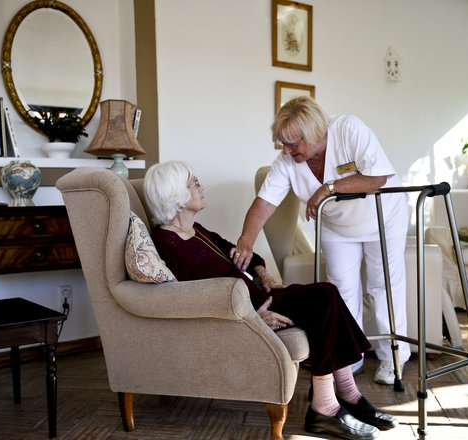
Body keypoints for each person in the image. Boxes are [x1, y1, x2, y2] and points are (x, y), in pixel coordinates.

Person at [143, 161, 397, 440]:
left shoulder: (197, 230)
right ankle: (330, 405)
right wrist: (250, 315)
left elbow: (239, 255)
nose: (200, 186)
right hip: (251, 308)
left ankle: (344, 397)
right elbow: (194, 294)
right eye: (193, 183)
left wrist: (262, 271)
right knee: (324, 297)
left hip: (261, 296)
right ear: (175, 195)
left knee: (327, 294)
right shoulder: (168, 242)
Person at [234, 96, 410, 385]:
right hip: (338, 226)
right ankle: (349, 357)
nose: (288, 150)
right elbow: (265, 202)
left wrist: (327, 188)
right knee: (341, 289)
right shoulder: (287, 161)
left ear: (316, 132)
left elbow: (377, 177)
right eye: (283, 144)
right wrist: (246, 240)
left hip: (382, 217)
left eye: (294, 144)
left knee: (383, 285)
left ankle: (393, 359)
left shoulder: (349, 130)